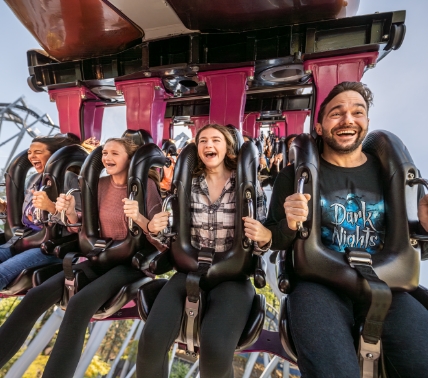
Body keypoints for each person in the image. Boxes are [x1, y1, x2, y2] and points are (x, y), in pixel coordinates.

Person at [264, 81, 428, 377]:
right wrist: (289, 224)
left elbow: (416, 249)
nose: (348, 120)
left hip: (385, 283)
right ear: (319, 126)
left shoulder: (393, 178)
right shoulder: (294, 176)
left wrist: (426, 228)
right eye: (336, 113)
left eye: (358, 112)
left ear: (366, 122)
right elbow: (272, 238)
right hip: (320, 283)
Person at [0, 137, 167, 378]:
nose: (107, 158)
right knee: (37, 296)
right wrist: (69, 212)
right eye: (105, 153)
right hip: (98, 257)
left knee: (78, 306)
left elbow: (158, 239)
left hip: (129, 264)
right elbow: (82, 228)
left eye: (115, 154)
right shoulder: (98, 185)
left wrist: (139, 218)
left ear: (130, 159)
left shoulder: (145, 187)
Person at [136, 124, 272, 378]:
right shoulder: (188, 185)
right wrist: (155, 228)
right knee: (151, 339)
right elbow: (171, 234)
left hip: (232, 276)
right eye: (203, 141)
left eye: (216, 140)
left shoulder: (249, 188)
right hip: (190, 270)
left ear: (227, 147)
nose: (209, 145)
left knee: (216, 348)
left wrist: (264, 237)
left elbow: (260, 240)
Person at [0, 134, 81, 290]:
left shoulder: (70, 179)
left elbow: (78, 224)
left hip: (48, 247)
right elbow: (28, 217)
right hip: (24, 240)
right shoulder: (34, 180)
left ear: (54, 156)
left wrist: (50, 207)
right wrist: (4, 209)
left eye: (38, 152)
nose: (31, 156)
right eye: (30, 152)